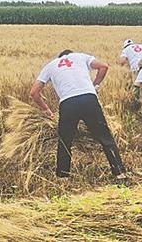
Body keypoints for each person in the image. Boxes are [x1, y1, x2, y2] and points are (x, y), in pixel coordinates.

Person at [31, 50, 126, 179]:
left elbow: (34, 92)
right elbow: (104, 66)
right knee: (105, 137)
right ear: (71, 54)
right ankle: (119, 172)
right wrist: (95, 85)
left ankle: (63, 177)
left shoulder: (51, 65)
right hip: (89, 99)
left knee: (65, 141)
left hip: (67, 103)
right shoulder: (81, 56)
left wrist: (46, 109)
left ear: (60, 57)